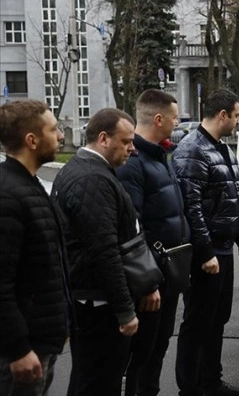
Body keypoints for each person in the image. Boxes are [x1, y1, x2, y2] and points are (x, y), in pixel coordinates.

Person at [52, 108, 141, 396]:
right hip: (97, 304)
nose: (131, 148)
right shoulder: (93, 180)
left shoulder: (85, 170)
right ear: (103, 138)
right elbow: (105, 250)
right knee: (97, 382)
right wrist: (125, 311)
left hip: (92, 298)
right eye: (126, 141)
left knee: (90, 378)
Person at [173, 89, 239, 396]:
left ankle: (211, 381)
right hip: (205, 254)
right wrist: (205, 252)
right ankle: (189, 388)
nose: (237, 121)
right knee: (197, 322)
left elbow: (235, 198)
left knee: (217, 318)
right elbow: (190, 206)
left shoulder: (222, 148)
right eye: (236, 115)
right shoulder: (192, 149)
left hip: (223, 249)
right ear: (223, 115)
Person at [115, 89, 190, 396]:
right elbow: (132, 228)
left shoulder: (161, 156)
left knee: (157, 348)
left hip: (167, 276)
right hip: (151, 281)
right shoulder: (133, 162)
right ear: (159, 119)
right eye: (174, 117)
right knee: (141, 354)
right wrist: (147, 284)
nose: (178, 123)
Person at [0, 100, 70, 396]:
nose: (61, 136)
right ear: (32, 140)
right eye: (53, 130)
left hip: (40, 339)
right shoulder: (8, 196)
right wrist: (18, 349)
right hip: (22, 349)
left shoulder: (29, 185)